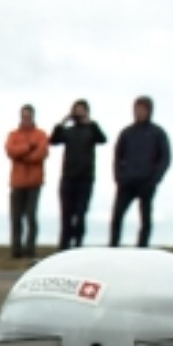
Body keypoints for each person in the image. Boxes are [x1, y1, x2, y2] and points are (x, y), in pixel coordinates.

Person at [109, 95, 171, 248]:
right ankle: (113, 247)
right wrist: (118, 177)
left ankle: (142, 248)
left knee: (145, 218)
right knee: (117, 217)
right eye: (136, 109)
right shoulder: (126, 133)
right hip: (127, 182)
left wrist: (155, 179)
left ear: (149, 111)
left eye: (142, 109)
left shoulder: (158, 133)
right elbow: (117, 156)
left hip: (147, 182)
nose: (139, 112)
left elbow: (165, 158)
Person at [49, 98, 108, 250]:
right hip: (68, 177)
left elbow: (102, 139)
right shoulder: (68, 132)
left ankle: (78, 245)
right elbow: (53, 140)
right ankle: (63, 246)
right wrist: (62, 122)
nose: (79, 112)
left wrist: (91, 123)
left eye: (82, 109)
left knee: (80, 214)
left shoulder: (91, 130)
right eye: (76, 109)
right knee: (66, 215)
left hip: (85, 178)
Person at [5, 104, 49, 259]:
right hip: (17, 182)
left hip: (34, 183)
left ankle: (30, 249)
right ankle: (16, 250)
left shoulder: (41, 134)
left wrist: (22, 155)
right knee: (16, 217)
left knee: (31, 216)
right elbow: (11, 151)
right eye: (23, 116)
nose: (26, 119)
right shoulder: (13, 135)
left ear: (33, 117)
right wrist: (28, 147)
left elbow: (40, 153)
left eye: (28, 116)